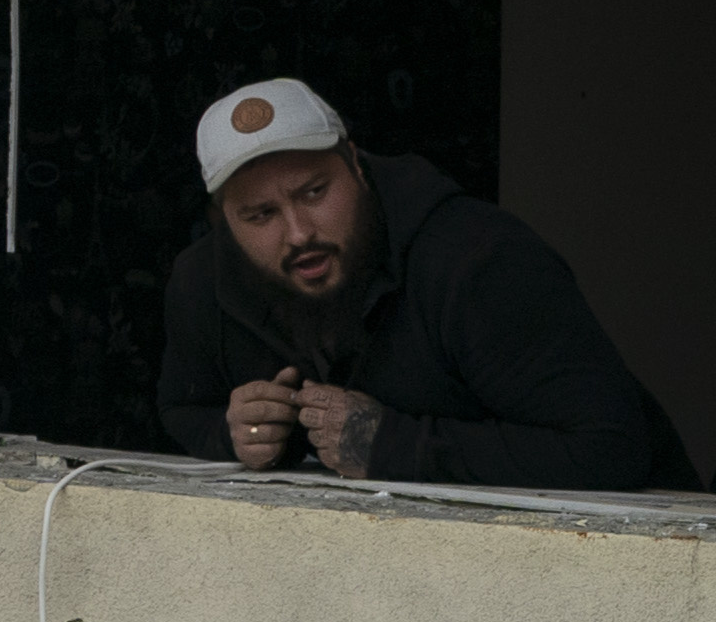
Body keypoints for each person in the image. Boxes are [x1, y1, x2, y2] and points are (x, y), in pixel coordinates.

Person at [157, 76, 688, 490]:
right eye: (261, 215)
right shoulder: (203, 280)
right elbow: (183, 410)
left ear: (357, 167)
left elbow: (610, 447)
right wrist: (238, 436)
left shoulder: (477, 258)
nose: (299, 234)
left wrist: (388, 445)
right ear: (224, 222)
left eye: (315, 192)